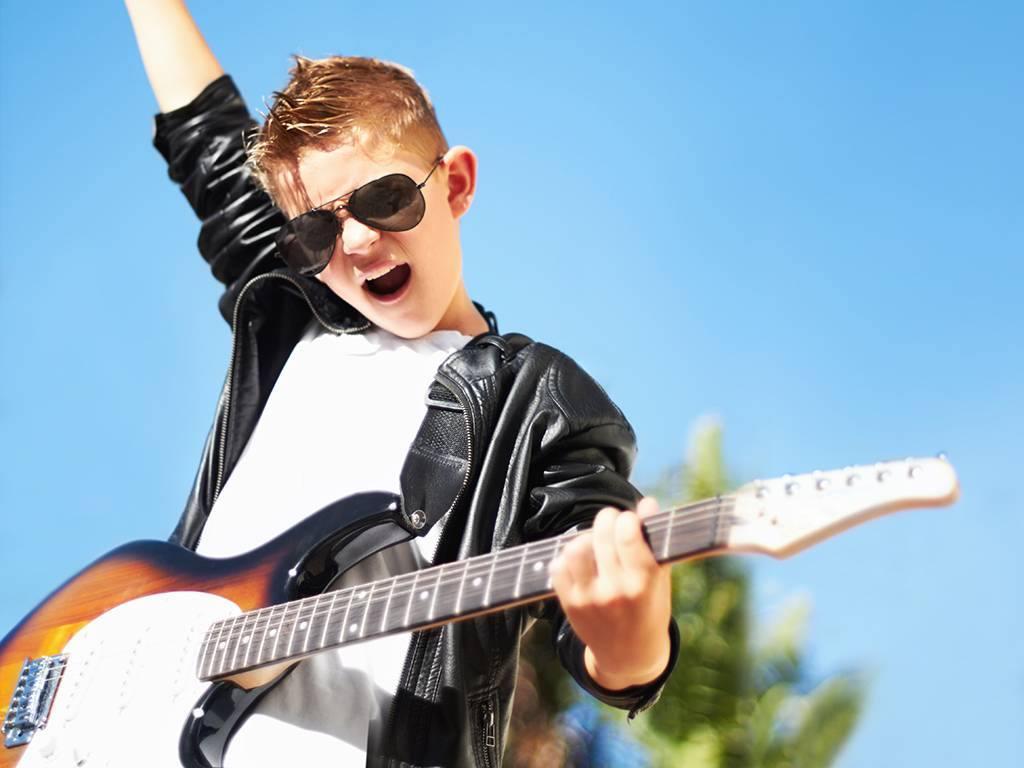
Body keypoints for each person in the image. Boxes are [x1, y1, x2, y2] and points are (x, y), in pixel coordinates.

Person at [124, 1, 680, 765]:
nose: (356, 241)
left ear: (456, 184)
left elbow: (596, 603)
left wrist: (633, 646)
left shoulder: (535, 401)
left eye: (385, 199)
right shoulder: (294, 321)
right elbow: (206, 138)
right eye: (316, 231)